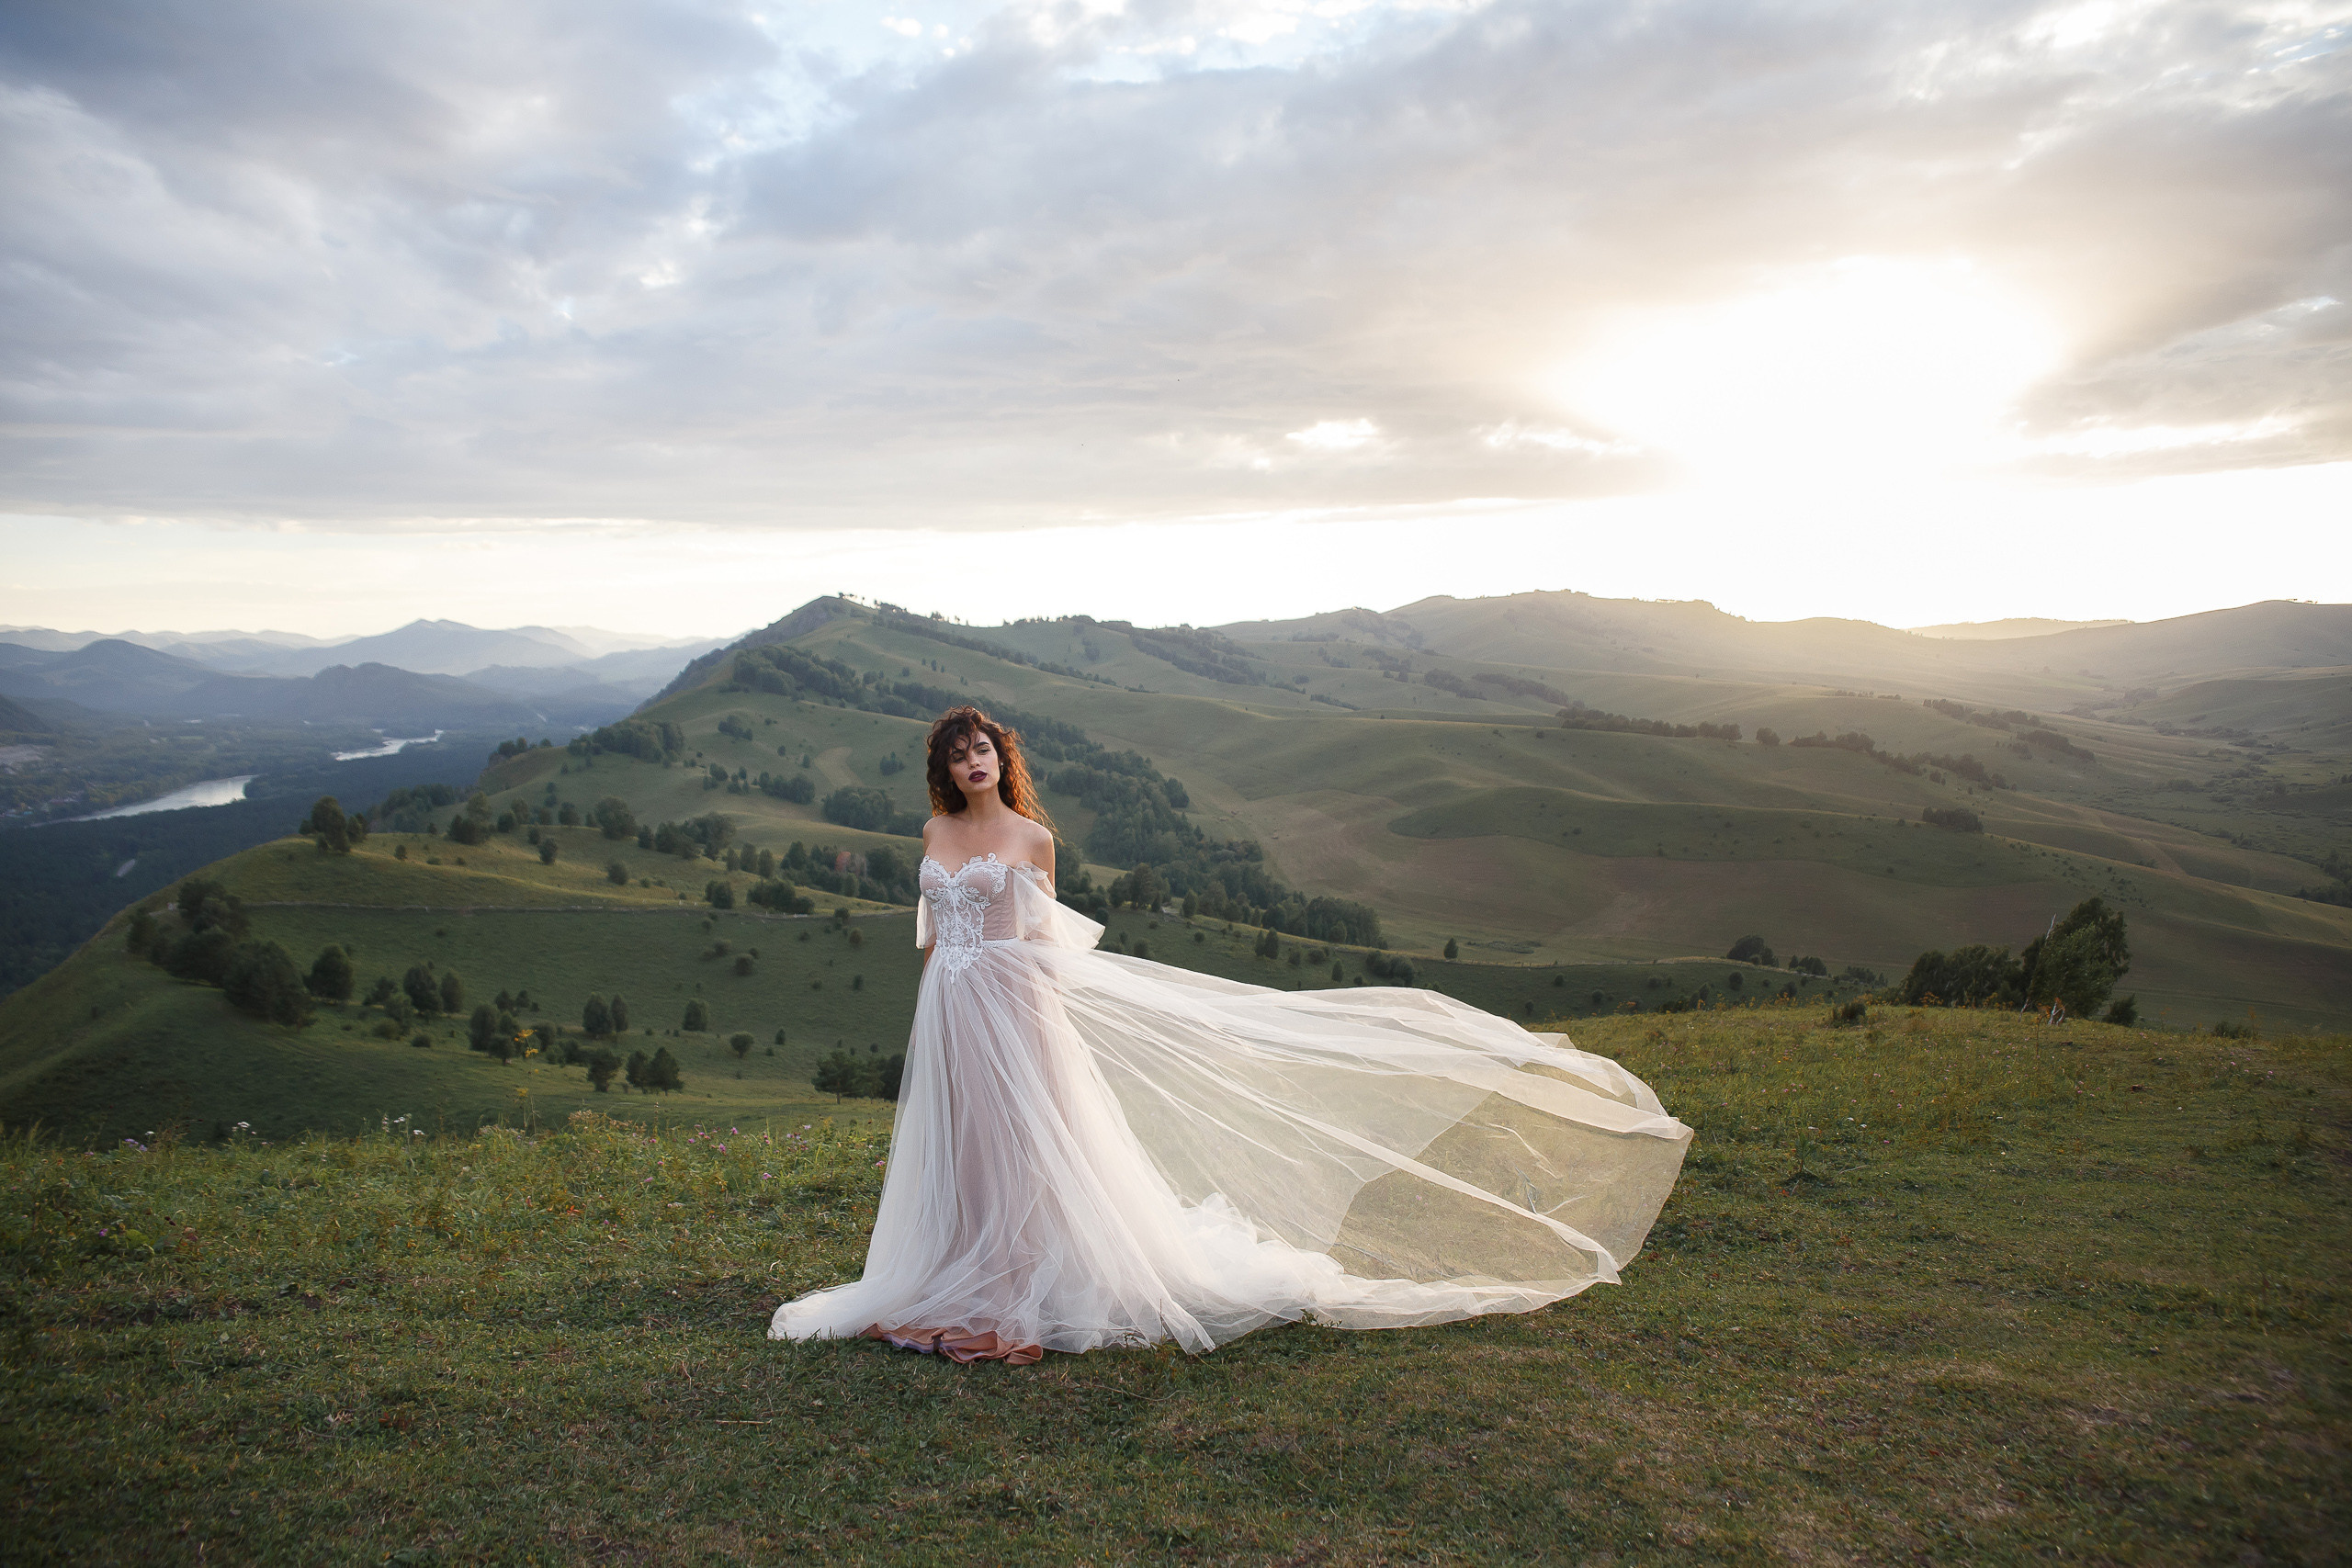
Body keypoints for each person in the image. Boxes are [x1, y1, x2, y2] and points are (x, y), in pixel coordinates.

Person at [769, 705, 1691, 1364]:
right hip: (950, 1008)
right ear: (943, 769)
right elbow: (934, 938)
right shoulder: (933, 832)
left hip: (1015, 1007)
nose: (972, 760)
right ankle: (954, 1267)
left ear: (1000, 758)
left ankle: (1014, 1287)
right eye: (958, 752)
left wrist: (1047, 1024)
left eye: (983, 748)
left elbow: (1048, 944)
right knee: (964, 1144)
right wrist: (932, 1018)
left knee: (1022, 1144)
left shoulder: (1032, 838)